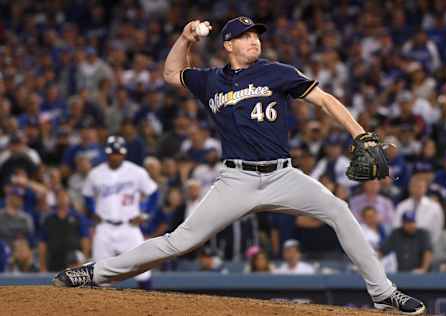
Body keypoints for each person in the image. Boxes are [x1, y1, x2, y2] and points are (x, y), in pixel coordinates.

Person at [54, 17, 425, 314]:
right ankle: (93, 273)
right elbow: (170, 75)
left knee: (340, 212)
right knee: (179, 242)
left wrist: (360, 135)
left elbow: (325, 100)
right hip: (236, 179)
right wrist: (185, 40)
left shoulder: (276, 71)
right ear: (228, 45)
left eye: (256, 36)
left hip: (283, 175)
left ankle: (384, 294)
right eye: (245, 36)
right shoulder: (210, 80)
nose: (254, 41)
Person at [81, 136, 158, 289]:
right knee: (99, 273)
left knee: (143, 269)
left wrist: (145, 214)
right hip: (104, 227)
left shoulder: (137, 172)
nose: (115, 156)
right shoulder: (95, 173)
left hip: (129, 227)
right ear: (107, 154)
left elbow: (153, 192)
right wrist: (91, 211)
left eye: (118, 153)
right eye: (112, 153)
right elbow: (87, 195)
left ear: (123, 154)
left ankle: (148, 307)